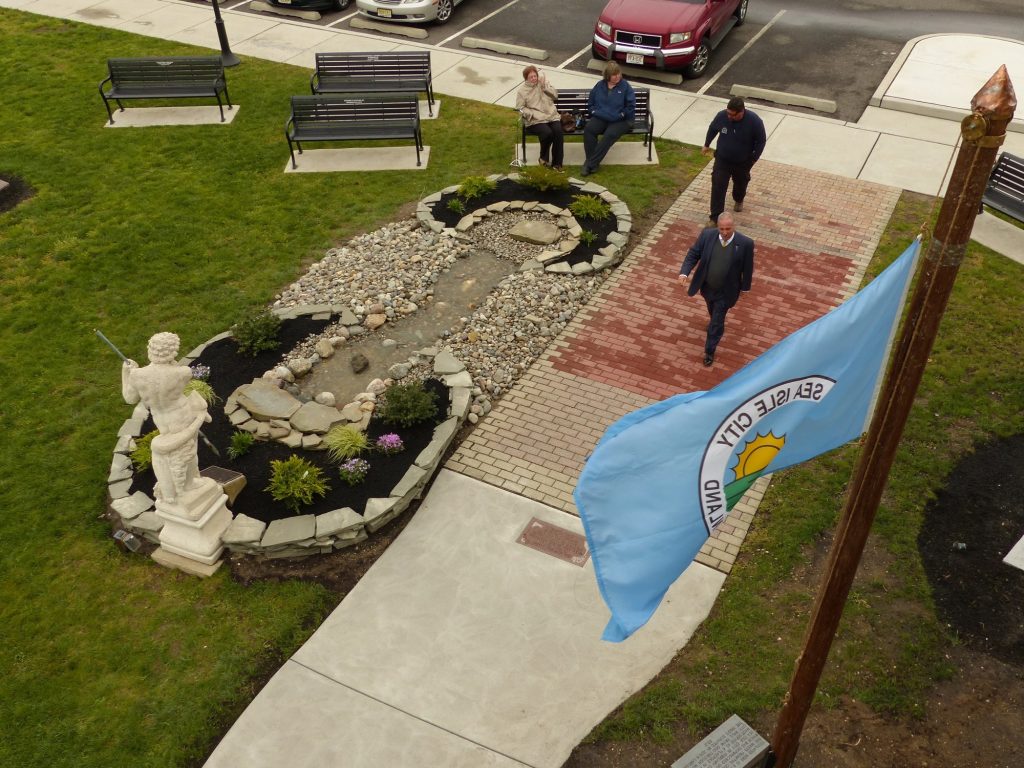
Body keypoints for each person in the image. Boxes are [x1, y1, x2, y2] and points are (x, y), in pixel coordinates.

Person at [122, 332, 212, 505]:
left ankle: (181, 486)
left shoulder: (137, 375)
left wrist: (127, 373)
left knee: (177, 452)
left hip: (162, 420)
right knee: (189, 450)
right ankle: (187, 483)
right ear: (173, 351)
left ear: (151, 350)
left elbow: (130, 398)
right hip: (183, 414)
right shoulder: (183, 372)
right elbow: (170, 379)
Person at [677, 213, 754, 367]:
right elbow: (694, 253)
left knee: (717, 320)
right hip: (707, 287)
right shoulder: (707, 235)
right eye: (722, 229)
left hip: (726, 291)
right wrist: (684, 272)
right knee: (712, 309)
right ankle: (714, 323)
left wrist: (745, 288)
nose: (725, 232)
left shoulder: (745, 243)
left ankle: (709, 350)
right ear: (717, 227)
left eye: (728, 229)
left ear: (734, 227)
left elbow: (748, 267)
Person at [702, 96, 766, 224]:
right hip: (722, 159)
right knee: (718, 185)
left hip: (742, 162)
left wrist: (753, 159)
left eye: (732, 115)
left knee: (740, 184)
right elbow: (713, 129)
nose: (729, 117)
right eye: (728, 113)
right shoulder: (721, 116)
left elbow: (761, 141)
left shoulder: (755, 121)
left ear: (741, 111)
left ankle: (739, 198)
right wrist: (707, 144)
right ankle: (715, 218)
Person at [581, 61, 635, 177]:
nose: (618, 77)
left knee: (609, 135)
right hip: (602, 117)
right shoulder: (600, 85)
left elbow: (630, 106)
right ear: (607, 76)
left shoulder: (625, 86)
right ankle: (593, 163)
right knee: (589, 129)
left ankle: (589, 164)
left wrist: (621, 115)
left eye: (619, 74)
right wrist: (594, 111)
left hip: (622, 120)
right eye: (614, 75)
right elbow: (591, 103)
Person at [516, 65, 564, 170]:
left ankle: (557, 164)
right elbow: (520, 107)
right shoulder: (522, 91)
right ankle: (544, 158)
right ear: (526, 79)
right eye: (531, 77)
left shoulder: (543, 84)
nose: (534, 79)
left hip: (551, 116)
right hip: (535, 120)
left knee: (558, 132)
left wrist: (544, 87)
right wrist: (530, 114)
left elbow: (555, 96)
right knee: (547, 133)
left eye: (535, 76)